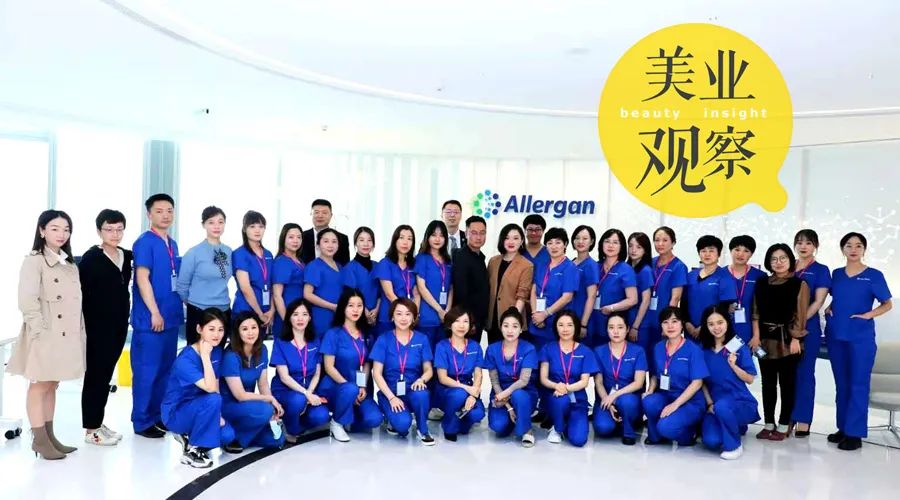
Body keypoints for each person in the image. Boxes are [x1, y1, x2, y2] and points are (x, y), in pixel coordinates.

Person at [7, 210, 84, 459]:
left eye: (66, 229)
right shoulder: (34, 261)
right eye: (55, 228)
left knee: (52, 384)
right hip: (45, 333)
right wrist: (39, 330)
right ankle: (39, 440)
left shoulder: (69, 263)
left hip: (66, 335)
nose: (62, 234)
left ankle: (50, 436)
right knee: (39, 385)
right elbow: (27, 300)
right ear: (42, 231)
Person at [825, 232, 893, 451]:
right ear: (842, 249)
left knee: (858, 384)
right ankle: (843, 428)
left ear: (864, 249)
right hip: (836, 335)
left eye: (858, 246)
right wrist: (829, 307)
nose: (853, 249)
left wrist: (868, 315)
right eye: (848, 245)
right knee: (842, 384)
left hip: (860, 338)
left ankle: (854, 434)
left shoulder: (873, 275)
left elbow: (887, 304)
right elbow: (838, 298)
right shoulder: (836, 274)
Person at [130, 194, 184, 438]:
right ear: (149, 214)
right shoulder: (144, 242)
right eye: (159, 211)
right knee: (146, 372)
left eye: (169, 210)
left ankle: (158, 416)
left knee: (165, 371)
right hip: (150, 320)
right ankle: (142, 421)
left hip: (170, 318)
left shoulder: (172, 244)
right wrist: (154, 312)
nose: (166, 215)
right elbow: (142, 279)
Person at [78, 209, 132, 446]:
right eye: (109, 229)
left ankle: (98, 423)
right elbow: (81, 294)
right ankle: (91, 430)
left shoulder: (125, 256)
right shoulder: (91, 258)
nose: (115, 234)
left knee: (105, 376)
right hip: (97, 327)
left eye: (119, 229)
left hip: (119, 325)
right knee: (95, 376)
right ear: (99, 231)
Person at [160, 308, 234, 468]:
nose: (217, 334)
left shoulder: (216, 351)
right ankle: (193, 451)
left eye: (221, 330)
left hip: (201, 406)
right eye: (211, 329)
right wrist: (205, 356)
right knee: (214, 399)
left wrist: (218, 414)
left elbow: (216, 384)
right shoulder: (185, 360)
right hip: (176, 413)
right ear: (199, 329)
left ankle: (189, 438)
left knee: (227, 435)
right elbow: (211, 389)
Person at [751, 243, 809, 441]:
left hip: (788, 341)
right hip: (764, 341)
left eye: (783, 258)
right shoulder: (762, 282)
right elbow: (755, 312)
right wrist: (756, 337)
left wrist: (796, 338)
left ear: (790, 260)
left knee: (787, 384)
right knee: (767, 384)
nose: (778, 262)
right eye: (774, 259)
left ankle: (784, 425)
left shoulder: (799, 284)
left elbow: (800, 314)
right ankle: (768, 424)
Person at [318, 289, 383, 442]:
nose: (355, 310)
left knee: (375, 419)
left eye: (359, 306)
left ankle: (350, 417)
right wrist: (351, 388)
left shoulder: (366, 334)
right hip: (336, 386)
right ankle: (337, 422)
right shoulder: (333, 334)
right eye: (351, 305)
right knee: (349, 390)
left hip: (358, 387)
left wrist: (362, 386)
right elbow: (329, 367)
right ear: (343, 307)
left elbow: (366, 363)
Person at [370, 298, 436, 445]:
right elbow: (377, 373)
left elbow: (428, 370)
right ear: (392, 317)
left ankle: (423, 429)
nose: (403, 318)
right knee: (402, 426)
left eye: (408, 314)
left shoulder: (422, 339)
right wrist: (391, 397)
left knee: (422, 393)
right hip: (390, 392)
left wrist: (422, 379)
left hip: (413, 389)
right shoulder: (383, 339)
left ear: (414, 317)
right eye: (399, 314)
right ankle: (391, 415)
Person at [698, 305, 760, 460]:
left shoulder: (738, 346)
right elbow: (701, 381)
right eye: (711, 324)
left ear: (727, 322)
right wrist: (709, 403)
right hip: (715, 405)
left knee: (723, 407)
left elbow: (750, 379)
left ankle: (734, 445)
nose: (716, 328)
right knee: (711, 441)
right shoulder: (703, 350)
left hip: (739, 401)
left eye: (720, 322)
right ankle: (736, 425)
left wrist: (734, 366)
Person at [642, 306, 708, 446]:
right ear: (661, 326)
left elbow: (697, 382)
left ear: (682, 324)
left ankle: (689, 434)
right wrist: (650, 390)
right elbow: (654, 375)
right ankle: (658, 435)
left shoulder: (693, 350)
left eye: (674, 321)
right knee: (648, 401)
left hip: (690, 401)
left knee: (666, 427)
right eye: (665, 322)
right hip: (666, 395)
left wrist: (675, 405)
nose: (670, 326)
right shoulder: (658, 347)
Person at [220, 312, 286, 453]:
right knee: (265, 410)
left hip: (249, 405)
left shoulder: (262, 350)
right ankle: (236, 438)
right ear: (237, 332)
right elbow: (240, 395)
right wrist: (269, 400)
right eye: (245, 329)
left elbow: (263, 384)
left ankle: (243, 436)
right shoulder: (230, 356)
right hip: (229, 405)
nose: (250, 333)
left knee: (277, 440)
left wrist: (272, 406)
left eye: (254, 327)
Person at [269, 299, 330, 443]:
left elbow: (317, 373)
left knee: (322, 416)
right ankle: (291, 427)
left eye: (304, 314)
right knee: (298, 400)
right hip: (285, 391)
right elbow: (284, 377)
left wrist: (310, 392)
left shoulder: (315, 341)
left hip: (308, 390)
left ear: (310, 318)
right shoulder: (281, 343)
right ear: (289, 318)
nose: (300, 318)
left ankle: (296, 421)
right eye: (295, 314)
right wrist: (306, 394)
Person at [791, 229, 832, 437]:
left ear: (815, 246)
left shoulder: (821, 270)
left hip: (808, 328)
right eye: (799, 242)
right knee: (787, 375)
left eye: (808, 242)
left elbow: (818, 301)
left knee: (805, 374)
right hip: (785, 329)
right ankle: (787, 418)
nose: (803, 246)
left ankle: (803, 419)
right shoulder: (788, 266)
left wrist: (799, 322)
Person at [539, 310, 598, 447]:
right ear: (555, 327)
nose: (565, 329)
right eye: (561, 325)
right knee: (561, 400)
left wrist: (566, 388)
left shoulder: (585, 351)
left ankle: (566, 423)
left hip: (577, 399)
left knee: (579, 440)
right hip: (555, 396)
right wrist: (556, 386)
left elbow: (584, 382)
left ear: (576, 327)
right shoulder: (548, 349)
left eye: (569, 325)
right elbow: (543, 378)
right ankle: (557, 428)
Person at [177, 206, 232, 345]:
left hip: (223, 310)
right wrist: (195, 302)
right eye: (211, 222)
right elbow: (182, 286)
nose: (216, 226)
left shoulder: (229, 251)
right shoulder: (193, 253)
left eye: (220, 222)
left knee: (218, 354)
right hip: (199, 311)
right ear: (204, 225)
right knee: (197, 353)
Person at [484, 307, 538, 447]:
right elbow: (494, 381)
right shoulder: (492, 349)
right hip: (500, 392)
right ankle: (516, 418)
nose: (510, 330)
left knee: (518, 395)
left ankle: (527, 429)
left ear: (521, 329)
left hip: (523, 392)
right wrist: (508, 406)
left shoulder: (529, 348)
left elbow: (524, 380)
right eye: (506, 326)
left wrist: (505, 394)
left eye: (515, 326)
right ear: (500, 327)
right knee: (498, 427)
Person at [592, 312, 647, 445]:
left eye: (620, 327)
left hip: (629, 399)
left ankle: (628, 431)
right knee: (603, 428)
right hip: (605, 398)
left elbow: (638, 383)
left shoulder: (638, 351)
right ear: (607, 330)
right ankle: (618, 420)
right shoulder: (598, 351)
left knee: (626, 402)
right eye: (611, 327)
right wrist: (608, 401)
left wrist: (615, 396)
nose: (615, 331)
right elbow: (598, 382)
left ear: (627, 329)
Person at [434, 307, 486, 441]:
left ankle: (459, 421)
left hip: (468, 388)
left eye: (465, 321)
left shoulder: (475, 346)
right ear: (449, 324)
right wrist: (467, 389)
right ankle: (449, 425)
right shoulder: (442, 346)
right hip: (446, 389)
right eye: (457, 321)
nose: (461, 326)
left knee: (478, 414)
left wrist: (473, 395)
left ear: (470, 325)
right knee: (459, 394)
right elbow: (442, 378)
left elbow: (478, 374)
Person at [644, 227, 688, 368]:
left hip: (661, 320)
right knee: (642, 361)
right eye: (657, 240)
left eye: (665, 240)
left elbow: (675, 298)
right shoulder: (649, 263)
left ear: (673, 242)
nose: (660, 244)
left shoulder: (678, 266)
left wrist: (667, 325)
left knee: (659, 362)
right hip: (645, 319)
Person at [529, 228, 578, 352]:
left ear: (565, 244)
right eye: (550, 243)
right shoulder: (542, 265)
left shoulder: (569, 267)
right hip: (537, 322)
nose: (554, 246)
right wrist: (535, 314)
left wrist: (545, 314)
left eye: (558, 242)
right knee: (536, 358)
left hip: (557, 323)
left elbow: (567, 297)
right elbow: (534, 290)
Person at [683, 235, 737, 342]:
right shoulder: (690, 275)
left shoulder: (725, 277)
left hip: (713, 330)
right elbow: (684, 302)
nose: (707, 254)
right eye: (703, 251)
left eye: (711, 251)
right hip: (690, 331)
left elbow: (724, 307)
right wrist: (687, 323)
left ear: (719, 254)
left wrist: (705, 326)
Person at [487, 224, 533, 345]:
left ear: (522, 241)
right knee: (494, 352)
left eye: (516, 238)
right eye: (507, 238)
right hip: (492, 318)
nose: (511, 242)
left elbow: (522, 295)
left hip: (511, 320)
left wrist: (513, 318)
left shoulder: (526, 265)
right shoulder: (493, 261)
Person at [593, 229, 638, 348]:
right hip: (592, 322)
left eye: (615, 242)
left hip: (614, 324)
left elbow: (632, 299)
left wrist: (612, 308)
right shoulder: (595, 266)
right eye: (607, 241)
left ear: (621, 246)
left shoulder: (626, 269)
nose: (610, 245)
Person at [231, 211, 274, 335]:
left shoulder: (268, 254)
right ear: (245, 229)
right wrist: (259, 314)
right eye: (252, 226)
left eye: (261, 226)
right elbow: (245, 288)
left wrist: (271, 311)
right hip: (246, 309)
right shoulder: (240, 254)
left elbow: (273, 285)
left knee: (259, 346)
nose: (257, 230)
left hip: (266, 311)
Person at [374, 225, 419, 339]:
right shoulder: (385, 263)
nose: (405, 242)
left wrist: (414, 312)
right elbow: (389, 293)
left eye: (409, 239)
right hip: (389, 316)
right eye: (401, 237)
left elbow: (416, 292)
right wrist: (404, 312)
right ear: (395, 240)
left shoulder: (413, 264)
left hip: (408, 318)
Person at [415, 220, 453, 350]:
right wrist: (439, 310)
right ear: (427, 237)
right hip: (427, 317)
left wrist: (447, 311)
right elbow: (421, 287)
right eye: (434, 235)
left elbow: (451, 287)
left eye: (441, 235)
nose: (437, 239)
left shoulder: (448, 260)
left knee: (441, 355)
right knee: (426, 355)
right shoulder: (422, 258)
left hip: (444, 319)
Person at [452, 216, 490, 338]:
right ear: (466, 233)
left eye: (482, 233)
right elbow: (461, 293)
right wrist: (469, 320)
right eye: (474, 233)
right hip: (467, 322)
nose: (478, 237)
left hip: (478, 320)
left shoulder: (480, 257)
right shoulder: (461, 257)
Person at [303, 228, 345, 338]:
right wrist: (332, 306)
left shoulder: (340, 266)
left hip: (338, 316)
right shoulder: (314, 266)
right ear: (318, 245)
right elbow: (307, 294)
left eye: (334, 241)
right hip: (321, 316)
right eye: (326, 241)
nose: (330, 245)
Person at [727, 235, 767, 344]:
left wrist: (757, 335)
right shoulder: (720, 274)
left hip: (751, 331)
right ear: (730, 251)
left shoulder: (760, 276)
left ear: (751, 254)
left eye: (746, 251)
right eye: (737, 249)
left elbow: (762, 308)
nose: (740, 254)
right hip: (723, 330)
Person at [343, 227, 381, 331]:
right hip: (357, 315)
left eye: (369, 240)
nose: (366, 244)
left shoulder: (378, 266)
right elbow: (351, 294)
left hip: (376, 316)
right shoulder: (349, 268)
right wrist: (364, 311)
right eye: (361, 240)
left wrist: (376, 310)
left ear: (373, 244)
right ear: (355, 243)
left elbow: (381, 293)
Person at [627, 232, 655, 368]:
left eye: (638, 247)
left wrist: (635, 326)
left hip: (639, 324)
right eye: (631, 246)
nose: (633, 250)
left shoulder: (645, 271)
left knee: (638, 363)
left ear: (645, 250)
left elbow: (646, 300)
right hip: (626, 321)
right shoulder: (627, 268)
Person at [272, 223, 305, 338]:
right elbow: (277, 295)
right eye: (291, 237)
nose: (295, 240)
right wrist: (287, 321)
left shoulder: (300, 261)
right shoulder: (282, 262)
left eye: (299, 237)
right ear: (283, 239)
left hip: (300, 314)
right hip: (286, 314)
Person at [570, 225, 599, 345]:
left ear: (591, 241)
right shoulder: (570, 263)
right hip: (567, 316)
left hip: (582, 317)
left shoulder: (591, 266)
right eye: (577, 238)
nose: (580, 241)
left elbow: (591, 296)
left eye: (585, 238)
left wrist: (583, 324)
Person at [300, 199, 350, 266]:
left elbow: (345, 266)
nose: (320, 216)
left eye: (324, 213)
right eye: (316, 212)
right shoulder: (301, 237)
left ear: (331, 215)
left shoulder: (342, 238)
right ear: (311, 214)